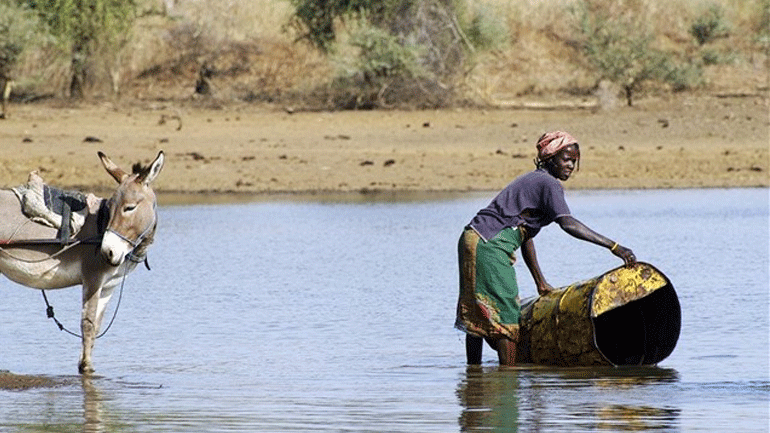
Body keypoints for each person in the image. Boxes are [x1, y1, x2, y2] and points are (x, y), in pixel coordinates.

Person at [455, 130, 636, 366]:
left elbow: (524, 236)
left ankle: (474, 379)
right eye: (566, 159)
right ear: (550, 159)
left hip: (473, 239)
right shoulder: (547, 183)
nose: (571, 165)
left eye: (574, 161)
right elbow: (567, 223)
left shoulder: (534, 180)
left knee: (478, 311)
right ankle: (509, 379)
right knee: (507, 315)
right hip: (491, 245)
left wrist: (539, 281)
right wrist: (614, 246)